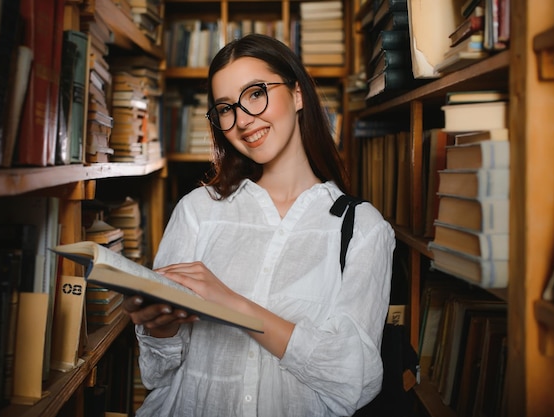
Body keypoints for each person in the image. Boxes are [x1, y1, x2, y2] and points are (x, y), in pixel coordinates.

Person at [123, 33, 395, 417]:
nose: (243, 120)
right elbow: (157, 373)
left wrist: (232, 304)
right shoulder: (197, 210)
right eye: (225, 108)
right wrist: (159, 328)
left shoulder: (363, 229)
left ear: (298, 94)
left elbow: (355, 377)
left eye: (255, 93)